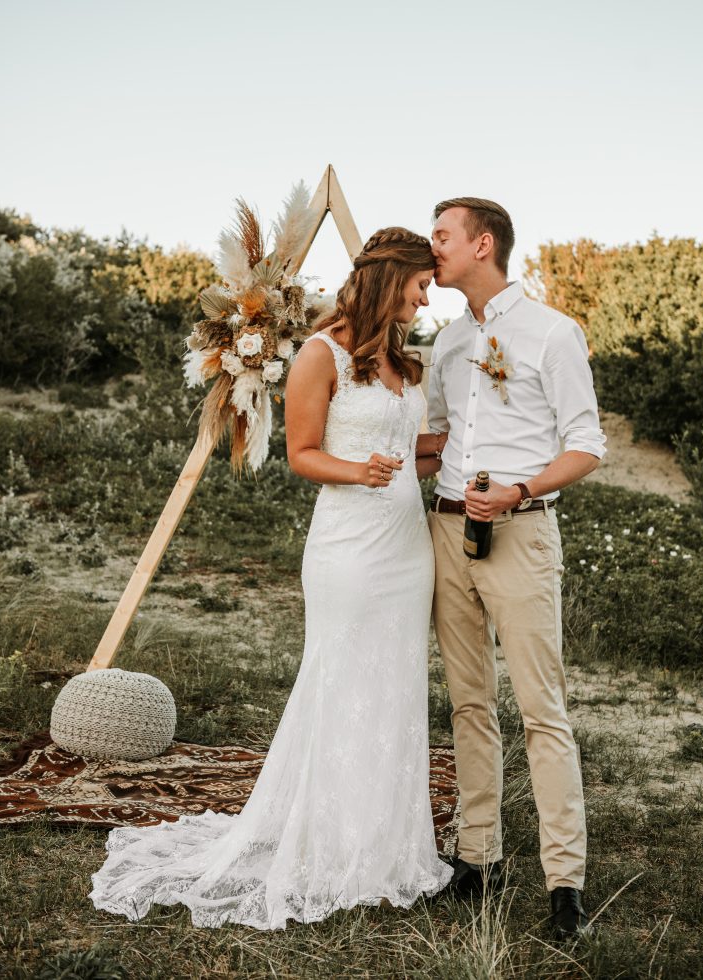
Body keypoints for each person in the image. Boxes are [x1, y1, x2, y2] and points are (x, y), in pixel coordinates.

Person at [89, 227, 453, 931]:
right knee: (340, 679)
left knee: (396, 683)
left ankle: (382, 843)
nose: (425, 294)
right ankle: (326, 838)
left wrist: (454, 451)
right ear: (390, 279)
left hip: (406, 549)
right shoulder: (323, 354)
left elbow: (413, 456)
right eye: (418, 282)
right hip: (348, 548)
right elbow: (301, 453)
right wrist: (359, 469)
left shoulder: (404, 364)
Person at [426, 197, 606, 940]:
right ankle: (477, 859)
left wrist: (521, 490)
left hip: (521, 533)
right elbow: (436, 437)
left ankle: (564, 886)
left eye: (441, 236)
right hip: (444, 530)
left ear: (482, 243)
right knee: (467, 703)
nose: (429, 247)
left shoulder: (552, 332)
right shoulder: (442, 342)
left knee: (542, 712)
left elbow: (586, 443)